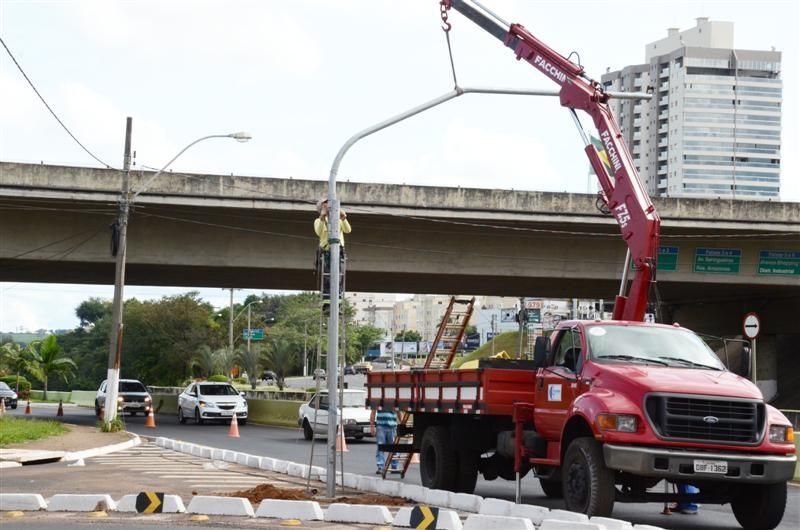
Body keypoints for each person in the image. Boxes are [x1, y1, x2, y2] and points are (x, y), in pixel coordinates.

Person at [314, 198, 351, 311]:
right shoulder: (318, 221)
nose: (328, 207)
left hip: (338, 252)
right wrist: (322, 217)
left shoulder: (338, 220)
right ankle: (327, 304)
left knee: (338, 278)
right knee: (327, 278)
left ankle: (337, 304)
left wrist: (343, 218)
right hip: (326, 252)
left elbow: (348, 230)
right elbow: (318, 232)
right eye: (325, 205)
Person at [369, 407, 399, 474]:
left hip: (392, 426)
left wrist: (402, 425)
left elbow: (399, 412)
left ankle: (394, 466)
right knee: (380, 447)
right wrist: (372, 427)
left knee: (394, 447)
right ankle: (380, 467)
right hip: (381, 426)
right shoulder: (379, 400)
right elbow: (373, 412)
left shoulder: (394, 400)